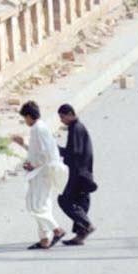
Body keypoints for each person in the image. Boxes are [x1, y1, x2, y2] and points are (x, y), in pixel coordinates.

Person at [12, 101, 69, 250]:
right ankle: (44, 239)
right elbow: (36, 151)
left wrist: (33, 165)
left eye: (25, 119)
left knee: (35, 206)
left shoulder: (39, 129)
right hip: (40, 172)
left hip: (42, 173)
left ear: (30, 116)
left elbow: (46, 153)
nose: (25, 122)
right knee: (42, 206)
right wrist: (23, 144)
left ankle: (57, 230)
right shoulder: (39, 128)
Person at [57, 103, 97, 246]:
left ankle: (87, 224)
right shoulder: (76, 128)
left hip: (78, 174)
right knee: (80, 203)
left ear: (69, 114)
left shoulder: (76, 128)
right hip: (83, 174)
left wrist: (57, 150)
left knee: (64, 200)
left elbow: (74, 153)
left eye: (62, 117)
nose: (62, 120)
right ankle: (80, 235)